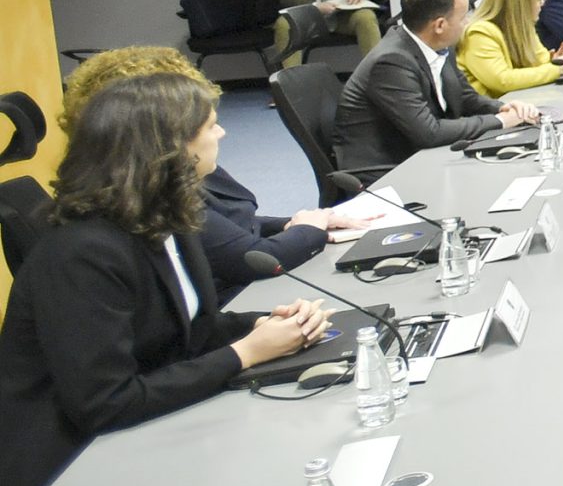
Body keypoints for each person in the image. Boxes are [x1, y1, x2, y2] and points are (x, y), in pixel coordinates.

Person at [0, 74, 333, 486]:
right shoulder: (83, 253)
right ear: (173, 148)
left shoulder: (163, 215)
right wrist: (244, 353)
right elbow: (106, 403)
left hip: (138, 429)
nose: (223, 133)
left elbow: (191, 329)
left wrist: (263, 325)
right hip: (62, 474)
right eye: (211, 126)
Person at [59, 47, 376, 299]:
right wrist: (307, 229)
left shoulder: (181, 167)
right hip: (236, 296)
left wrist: (294, 223)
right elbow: (245, 257)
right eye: (206, 123)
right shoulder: (154, 194)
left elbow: (231, 225)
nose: (222, 132)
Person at [336, 0, 542, 175]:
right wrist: (501, 120)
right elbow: (429, 133)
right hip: (386, 169)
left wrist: (504, 107)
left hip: (421, 155)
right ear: (440, 25)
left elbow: (465, 97)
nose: (468, 22)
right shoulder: (391, 61)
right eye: (463, 17)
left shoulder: (440, 46)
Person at [459, 0, 563, 97]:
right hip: (491, 106)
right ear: (521, 5)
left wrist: (556, 61)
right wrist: (557, 69)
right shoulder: (480, 32)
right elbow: (502, 80)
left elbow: (541, 62)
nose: (542, 3)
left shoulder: (524, 28)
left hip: (515, 101)